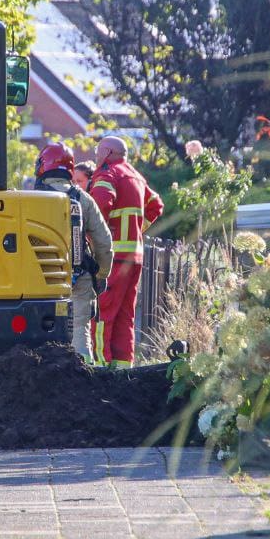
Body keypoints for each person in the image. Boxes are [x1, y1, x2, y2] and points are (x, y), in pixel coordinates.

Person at [33, 143, 113, 362]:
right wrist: (101, 275)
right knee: (79, 334)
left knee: (38, 335)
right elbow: (104, 243)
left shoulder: (28, 200)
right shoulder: (83, 199)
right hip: (79, 278)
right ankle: (85, 383)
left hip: (39, 280)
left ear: (42, 165)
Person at [88, 135, 163, 367]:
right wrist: (134, 231)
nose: (96, 156)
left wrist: (94, 239)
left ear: (108, 153)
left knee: (102, 314)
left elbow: (98, 207)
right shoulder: (135, 175)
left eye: (98, 152)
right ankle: (123, 369)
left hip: (113, 258)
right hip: (135, 257)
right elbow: (156, 205)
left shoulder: (107, 173)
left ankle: (100, 367)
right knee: (124, 316)